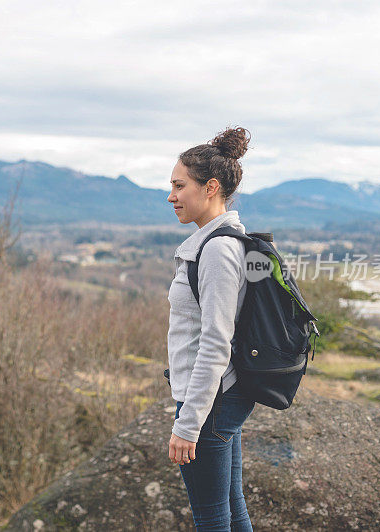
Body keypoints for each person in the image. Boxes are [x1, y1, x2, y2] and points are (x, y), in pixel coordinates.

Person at [165, 126, 256, 531]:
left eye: (179, 185)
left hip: (210, 401)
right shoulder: (221, 241)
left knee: (212, 518)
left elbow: (216, 345)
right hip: (220, 398)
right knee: (231, 512)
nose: (171, 196)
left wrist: (188, 424)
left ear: (211, 187)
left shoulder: (217, 249)